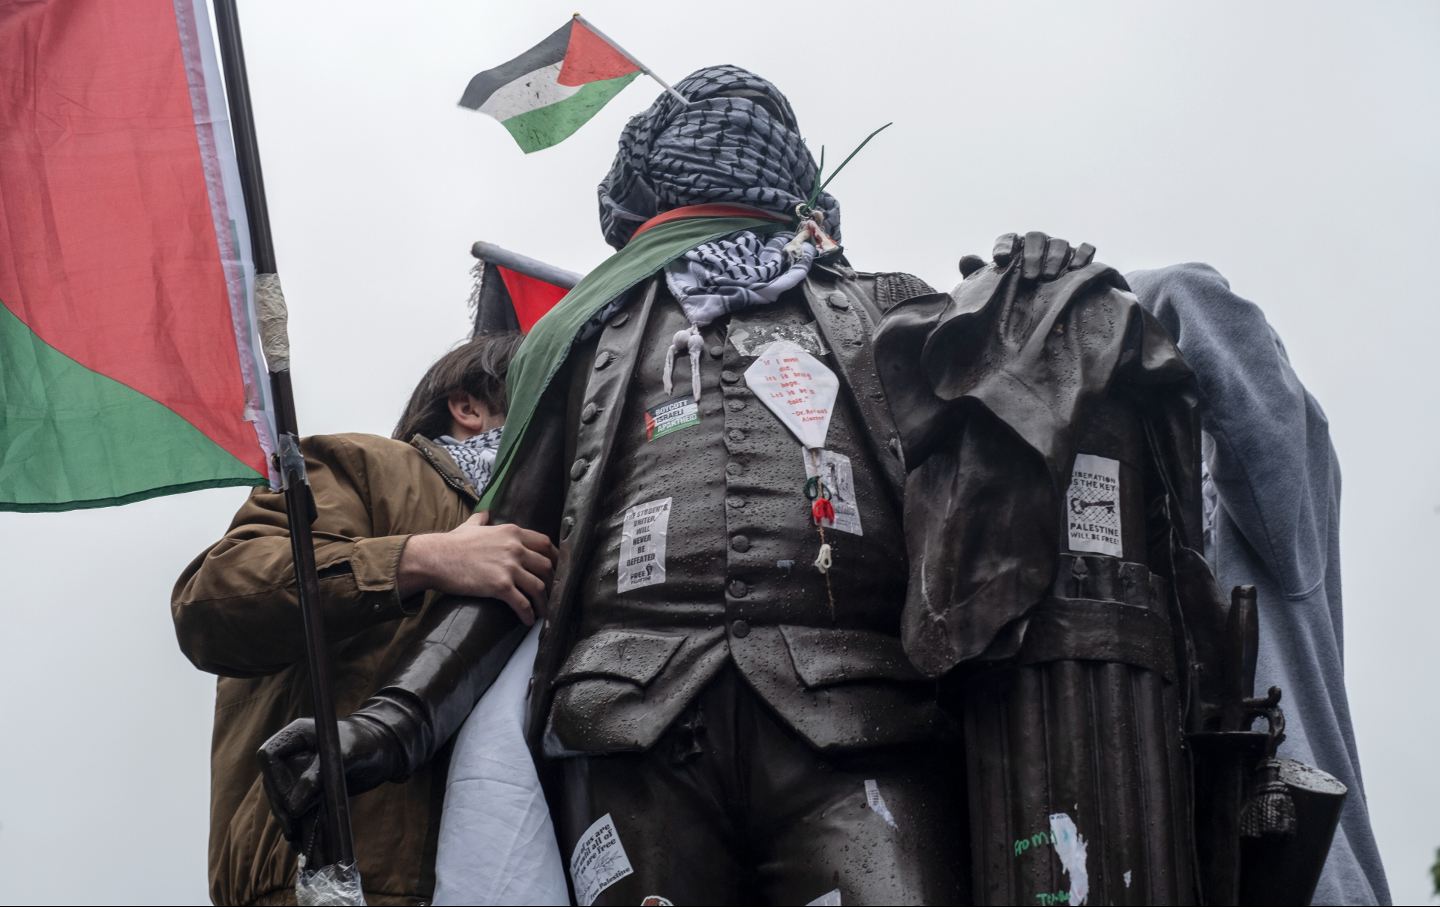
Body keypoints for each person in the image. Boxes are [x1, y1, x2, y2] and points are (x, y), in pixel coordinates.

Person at [260, 66, 1092, 906]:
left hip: (863, 724)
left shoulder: (888, 309)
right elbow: (508, 560)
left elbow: (1009, 435)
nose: (729, 136)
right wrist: (390, 723)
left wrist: (1031, 293)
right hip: (630, 737)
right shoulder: (586, 336)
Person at [171, 333, 556, 906]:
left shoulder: (576, 530)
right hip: (337, 880)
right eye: (543, 391)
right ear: (468, 406)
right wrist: (419, 559)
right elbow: (212, 601)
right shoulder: (366, 467)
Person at [1128, 263, 1392, 905]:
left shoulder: (1283, 503)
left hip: (1309, 880)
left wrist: (1091, 293)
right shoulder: (1129, 520)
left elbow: (1196, 302)